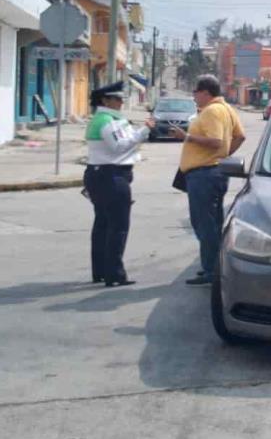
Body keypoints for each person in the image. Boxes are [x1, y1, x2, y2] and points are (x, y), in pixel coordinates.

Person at [170, 75, 245, 286]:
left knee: (204, 223)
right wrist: (224, 155)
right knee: (212, 222)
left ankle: (212, 270)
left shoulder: (213, 111)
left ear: (205, 92)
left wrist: (186, 137)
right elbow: (240, 136)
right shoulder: (227, 109)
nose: (193, 96)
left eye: (195, 92)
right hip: (212, 172)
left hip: (205, 174)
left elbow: (215, 141)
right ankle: (213, 267)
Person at [83, 82, 155, 287]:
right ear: (105, 100)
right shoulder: (107, 121)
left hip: (101, 174)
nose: (121, 102)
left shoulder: (106, 118)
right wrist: (143, 131)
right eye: (117, 98)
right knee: (118, 226)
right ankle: (114, 274)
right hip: (111, 176)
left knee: (103, 224)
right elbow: (119, 146)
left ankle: (101, 271)